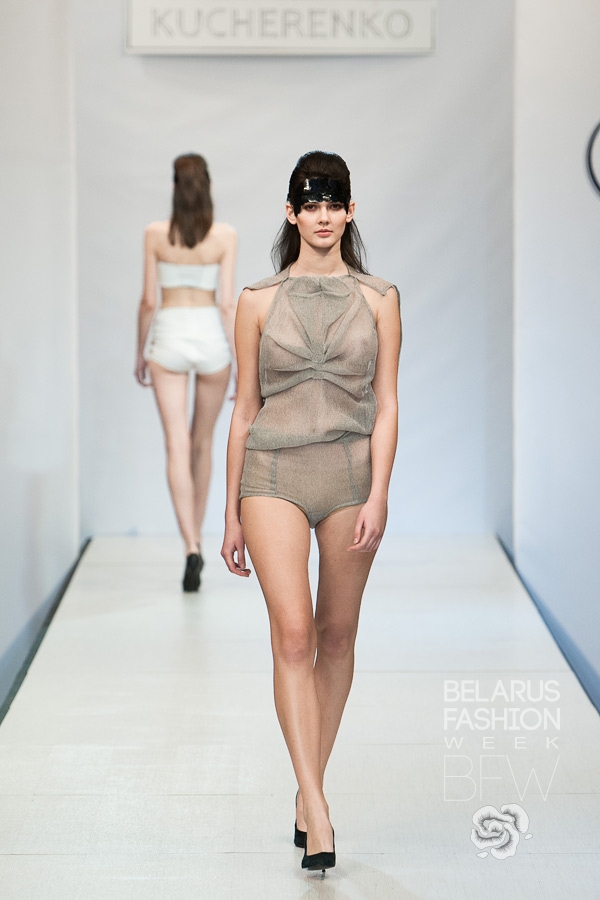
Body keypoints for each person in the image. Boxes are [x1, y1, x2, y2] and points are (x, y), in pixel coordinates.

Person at [221, 151, 401, 873]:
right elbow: (244, 410)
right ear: (291, 213)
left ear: (350, 211)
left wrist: (380, 492)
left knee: (337, 634)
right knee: (294, 636)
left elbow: (387, 404)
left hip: (351, 477)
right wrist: (229, 514)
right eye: (311, 204)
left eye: (334, 204)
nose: (323, 217)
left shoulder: (380, 298)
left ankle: (307, 788)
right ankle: (319, 809)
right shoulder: (256, 300)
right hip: (272, 473)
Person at [135, 153, 237, 591]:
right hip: (211, 337)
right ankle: (196, 533)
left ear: (175, 186)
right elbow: (227, 303)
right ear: (207, 185)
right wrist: (239, 360)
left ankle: (191, 545)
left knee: (176, 443)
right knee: (203, 443)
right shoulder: (224, 236)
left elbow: (149, 302)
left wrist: (140, 352)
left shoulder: (155, 234)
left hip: (170, 336)